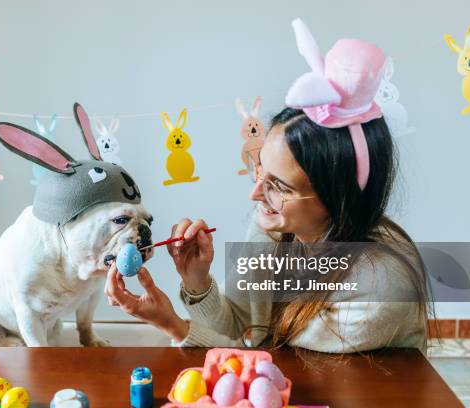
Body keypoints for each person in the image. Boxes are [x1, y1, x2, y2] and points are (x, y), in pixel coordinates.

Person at [104, 19, 430, 352]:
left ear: (339, 199)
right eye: (259, 171)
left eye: (278, 186)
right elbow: (238, 329)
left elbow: (271, 361)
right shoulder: (271, 234)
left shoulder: (381, 285)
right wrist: (197, 281)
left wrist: (171, 324)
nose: (255, 194)